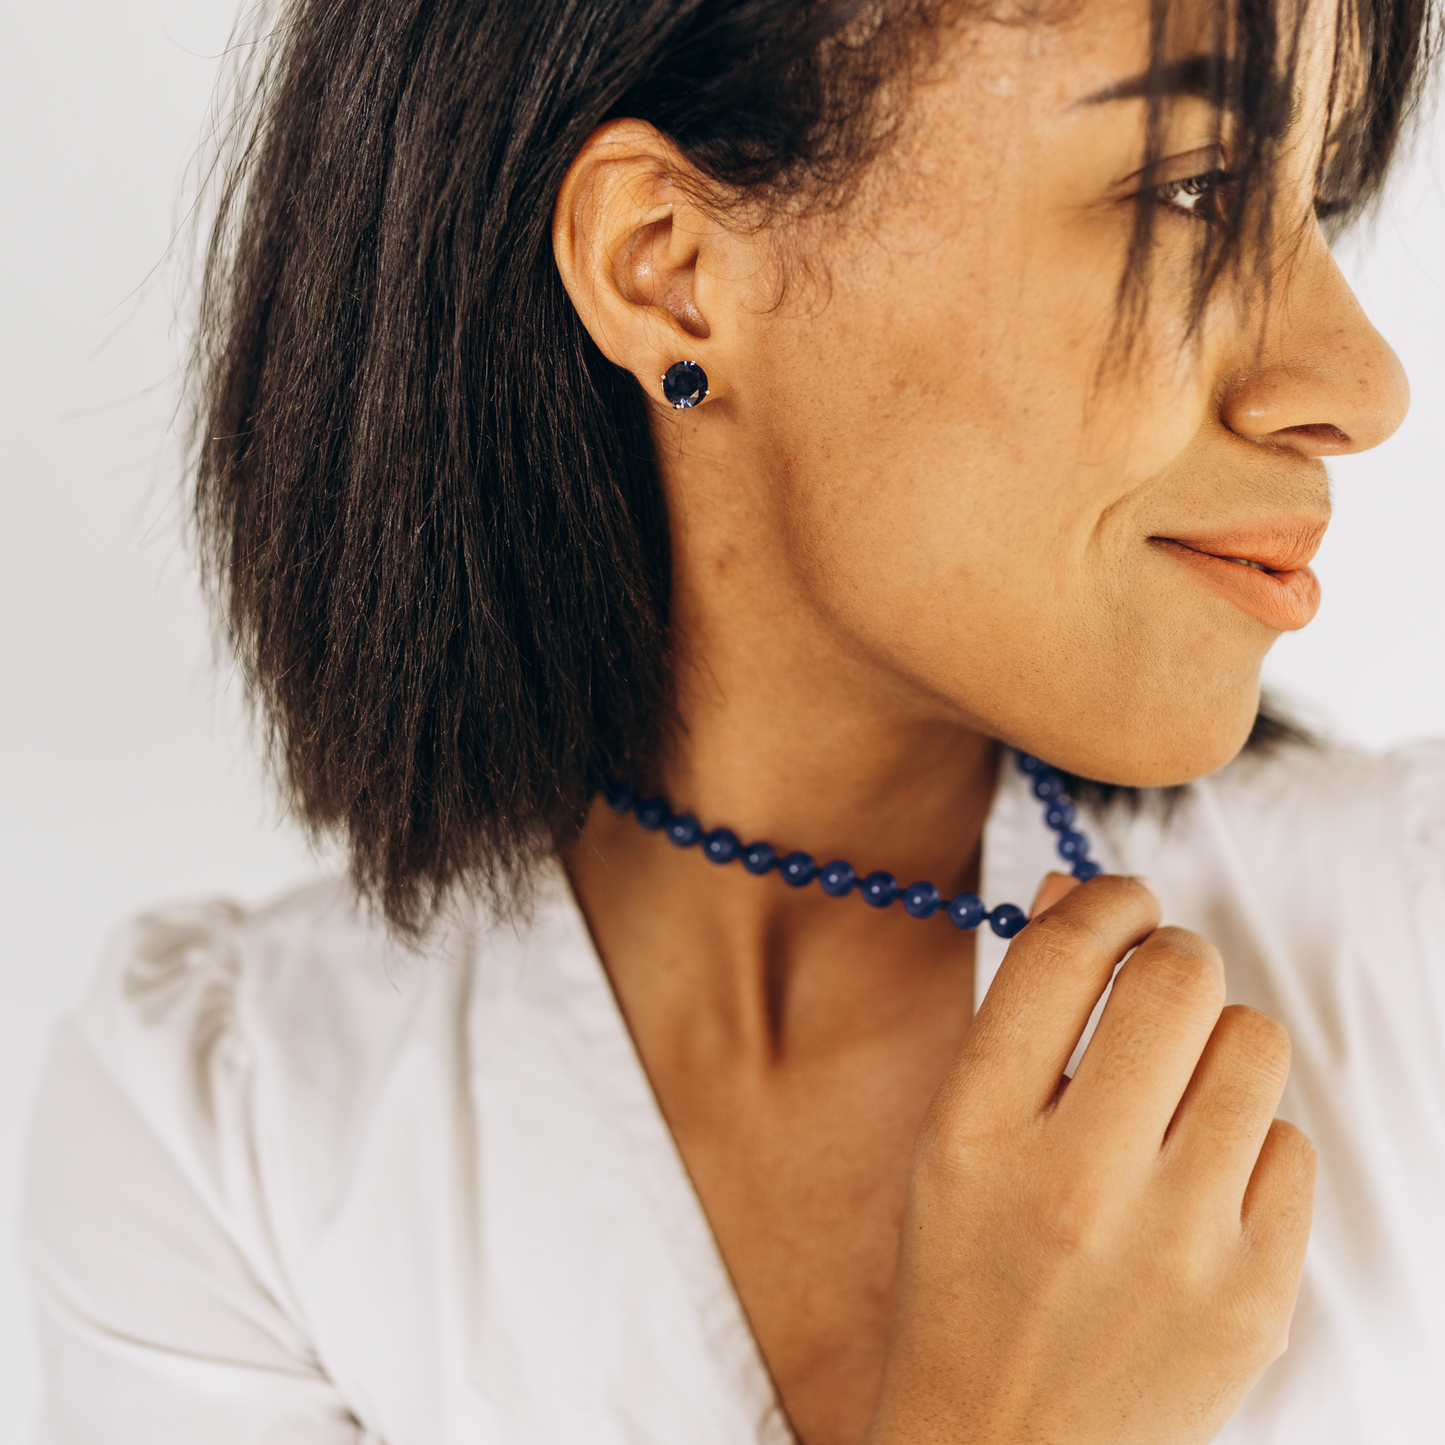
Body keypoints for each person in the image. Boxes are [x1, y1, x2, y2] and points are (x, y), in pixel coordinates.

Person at [21, 0, 1445, 1440]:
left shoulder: (1410, 929)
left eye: (1317, 199)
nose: (1362, 385)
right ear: (671, 268)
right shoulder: (220, 1145)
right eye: (1189, 192)